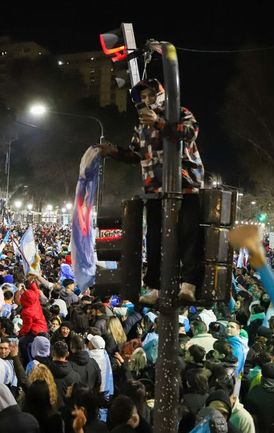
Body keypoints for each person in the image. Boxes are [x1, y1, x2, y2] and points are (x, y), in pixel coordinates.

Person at [97, 77, 203, 304]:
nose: (147, 100)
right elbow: (135, 154)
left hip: (185, 185)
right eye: (143, 97)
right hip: (154, 188)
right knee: (154, 239)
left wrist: (159, 123)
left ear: (161, 94)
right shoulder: (140, 126)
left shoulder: (180, 113)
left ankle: (189, 285)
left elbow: (190, 133)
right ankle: (154, 287)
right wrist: (114, 151)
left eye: (151, 95)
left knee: (188, 236)